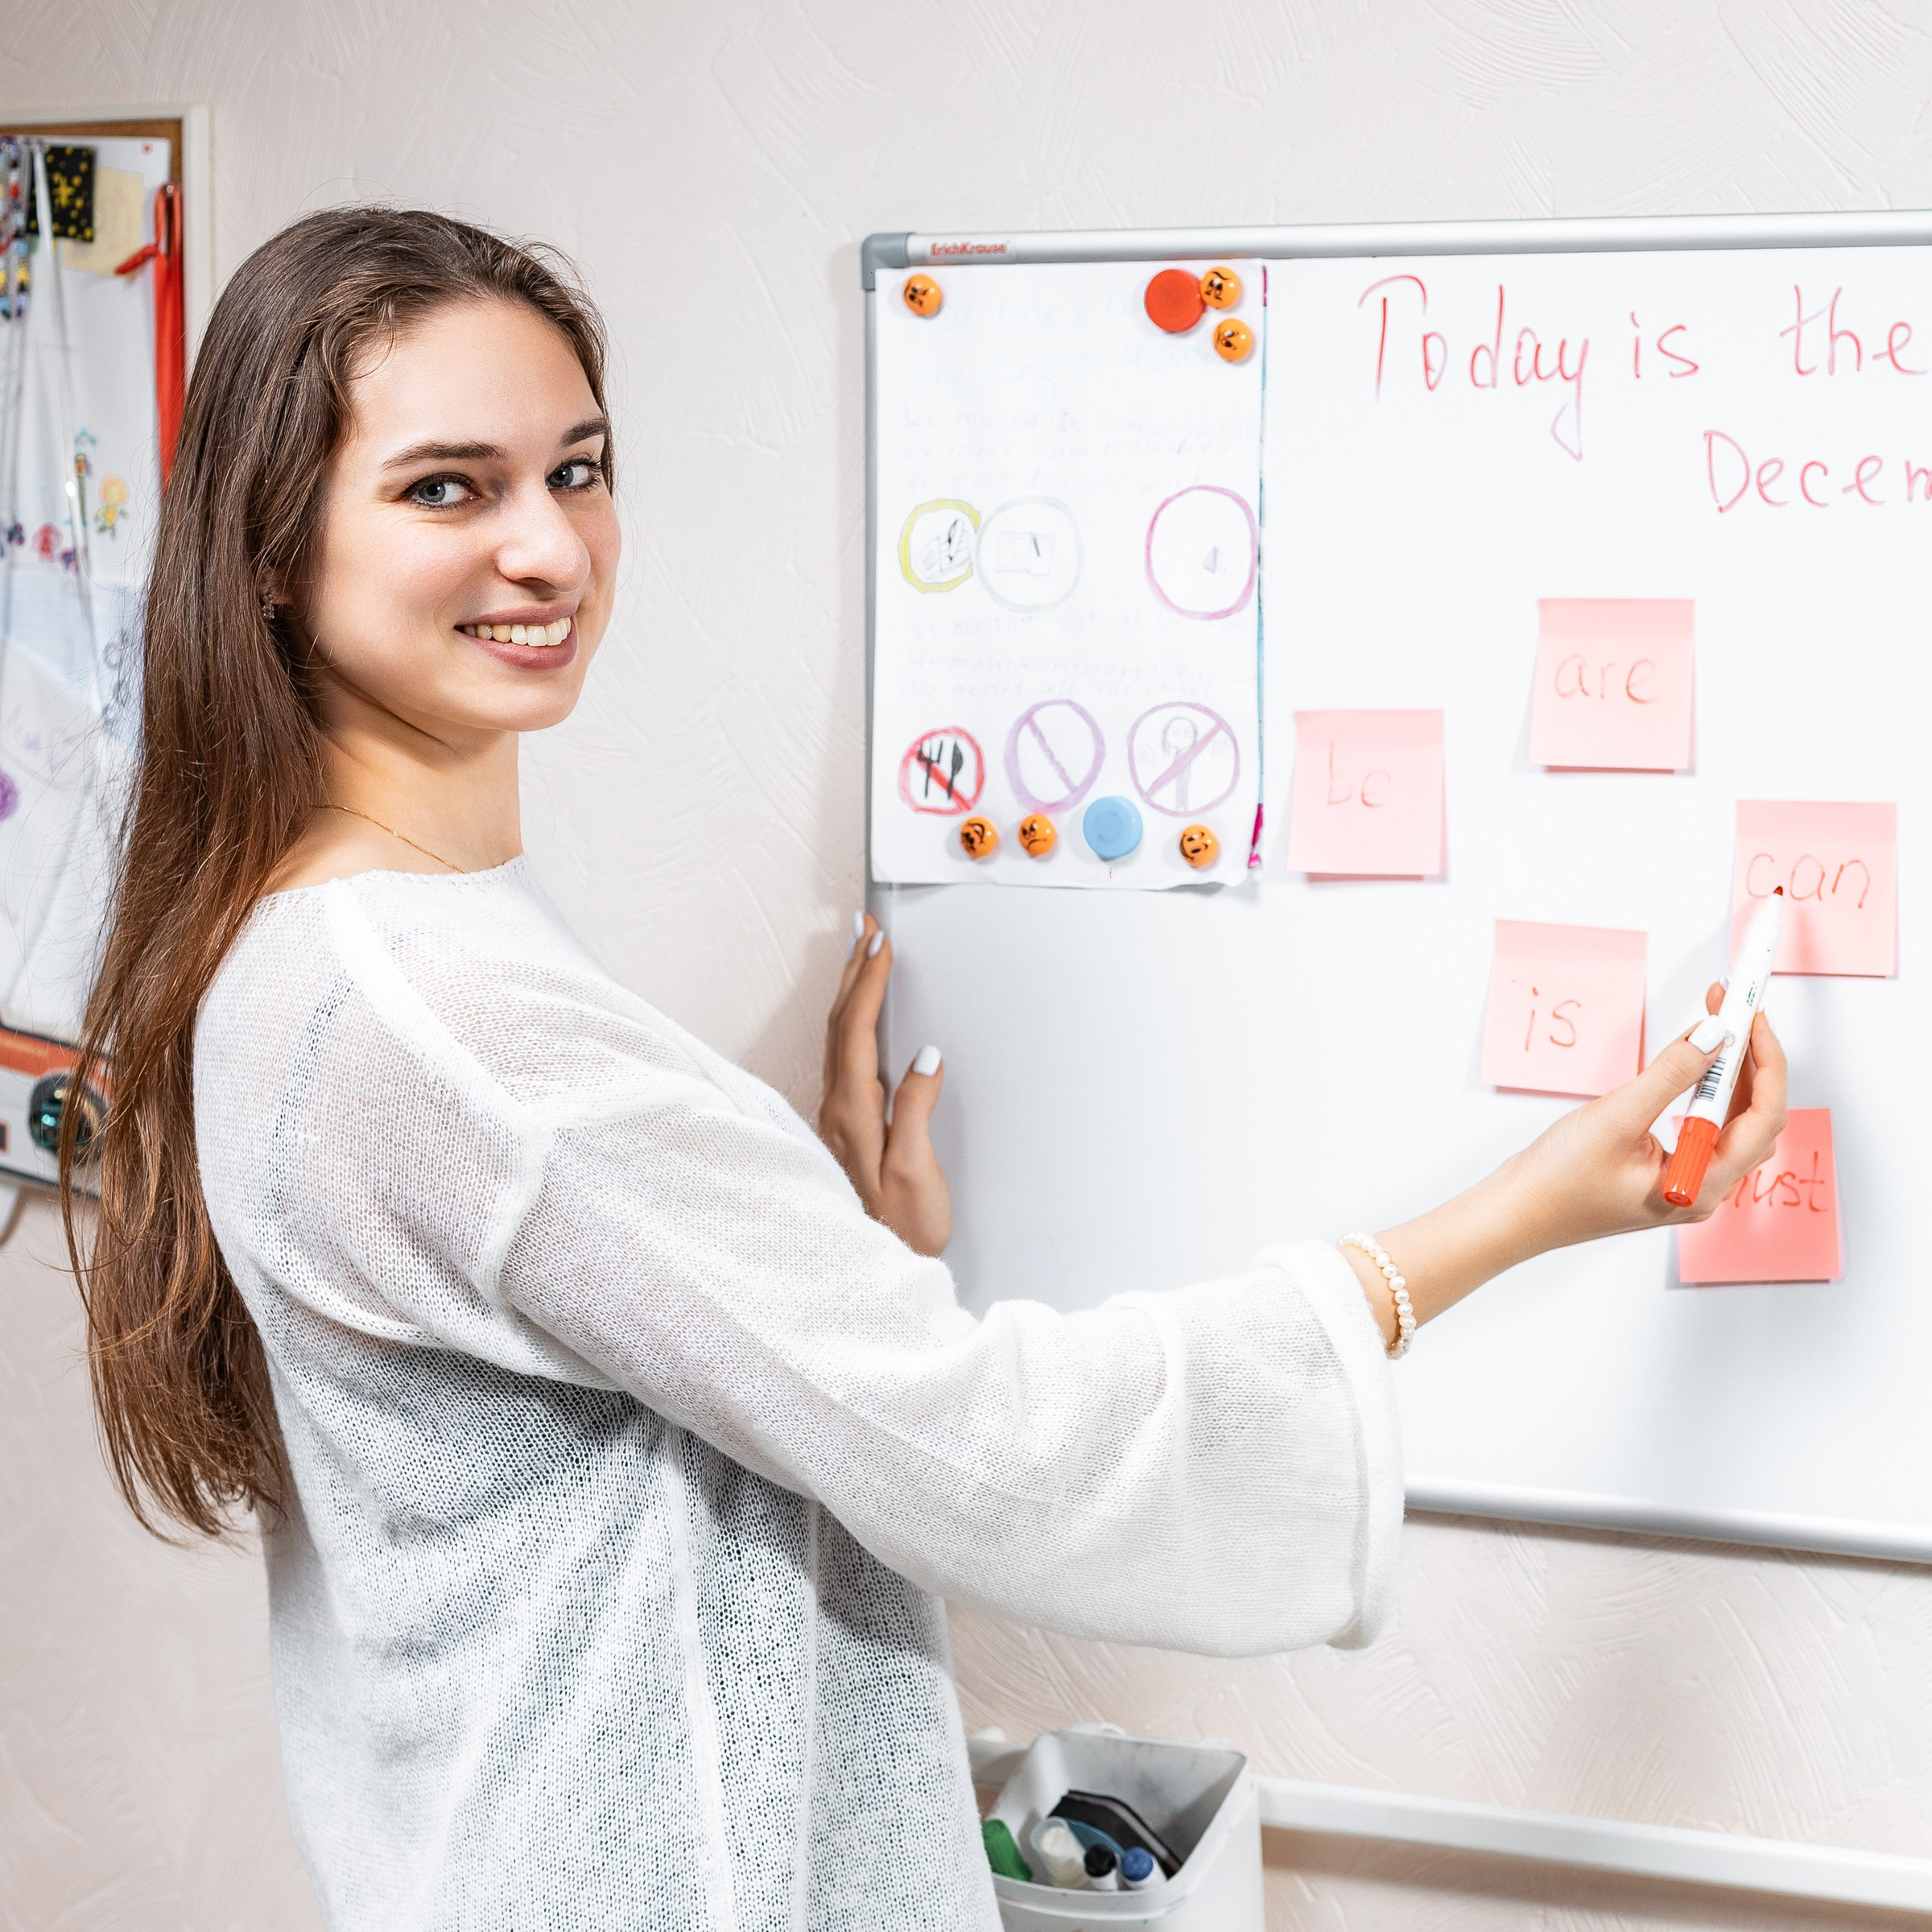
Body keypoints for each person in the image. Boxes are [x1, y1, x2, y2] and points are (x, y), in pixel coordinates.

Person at [65, 208, 1785, 1932]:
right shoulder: (437, 1020)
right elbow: (1001, 1460)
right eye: (450, 487)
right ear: (275, 550)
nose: (552, 550)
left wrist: (826, 1255)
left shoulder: (320, 944)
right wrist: (1521, 1214)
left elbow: (588, 1452)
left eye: (577, 469)